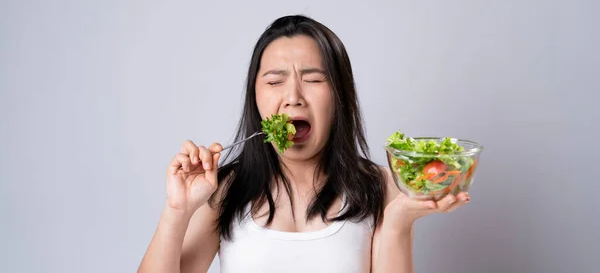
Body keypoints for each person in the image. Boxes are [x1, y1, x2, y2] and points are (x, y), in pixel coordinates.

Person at [138, 15, 470, 273]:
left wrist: (398, 222)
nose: (293, 97)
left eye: (313, 79)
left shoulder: (383, 187)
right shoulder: (224, 190)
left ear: (340, 96)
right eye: (274, 81)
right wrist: (177, 211)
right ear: (255, 96)